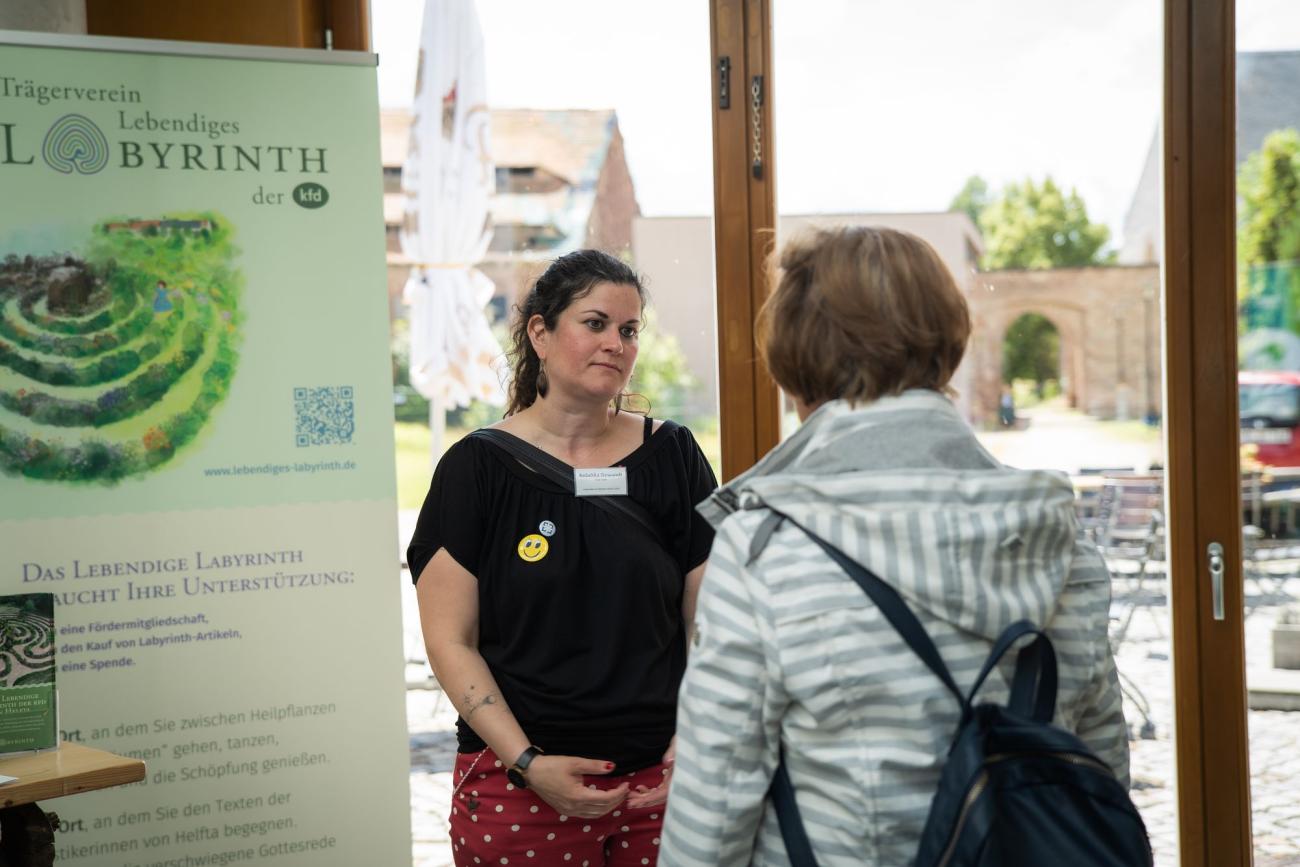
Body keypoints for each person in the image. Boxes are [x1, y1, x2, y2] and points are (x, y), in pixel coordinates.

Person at [659, 227, 1129, 866]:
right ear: (949, 339)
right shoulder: (1057, 535)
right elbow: (1096, 768)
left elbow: (713, 807)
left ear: (793, 357)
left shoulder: (768, 548)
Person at [407, 249, 717, 867]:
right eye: (596, 323)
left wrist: (697, 732)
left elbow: (709, 618)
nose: (617, 344)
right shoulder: (476, 469)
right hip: (516, 787)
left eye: (629, 330)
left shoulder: (674, 456)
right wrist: (527, 763)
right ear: (540, 333)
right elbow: (450, 641)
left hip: (663, 781)